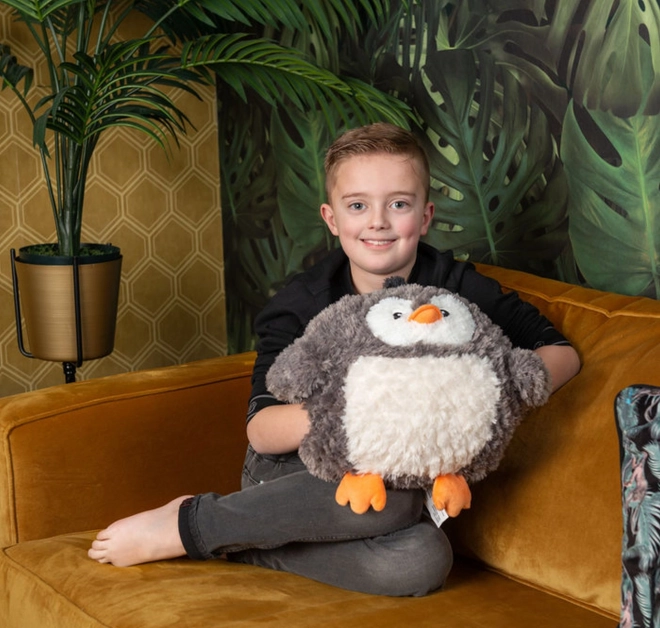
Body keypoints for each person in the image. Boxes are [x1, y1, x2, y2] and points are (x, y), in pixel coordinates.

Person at [88, 123, 581, 596]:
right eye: (358, 205)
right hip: (292, 475)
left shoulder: (453, 288)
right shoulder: (301, 302)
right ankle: (193, 524)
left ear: (425, 216)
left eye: (399, 204)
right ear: (332, 218)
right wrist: (370, 413)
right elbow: (262, 430)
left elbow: (561, 354)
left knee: (423, 560)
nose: (378, 222)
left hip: (395, 489)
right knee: (394, 499)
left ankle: (249, 542)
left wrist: (487, 394)